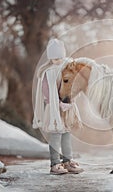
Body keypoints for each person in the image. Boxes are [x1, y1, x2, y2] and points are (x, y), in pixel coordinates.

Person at [33, 38, 83, 175]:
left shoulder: (67, 67)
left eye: (60, 57)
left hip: (67, 107)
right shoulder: (47, 72)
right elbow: (46, 91)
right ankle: (55, 163)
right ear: (50, 58)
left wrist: (70, 102)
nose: (58, 61)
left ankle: (68, 161)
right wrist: (57, 103)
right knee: (55, 136)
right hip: (54, 108)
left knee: (66, 134)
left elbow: (73, 85)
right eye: (54, 59)